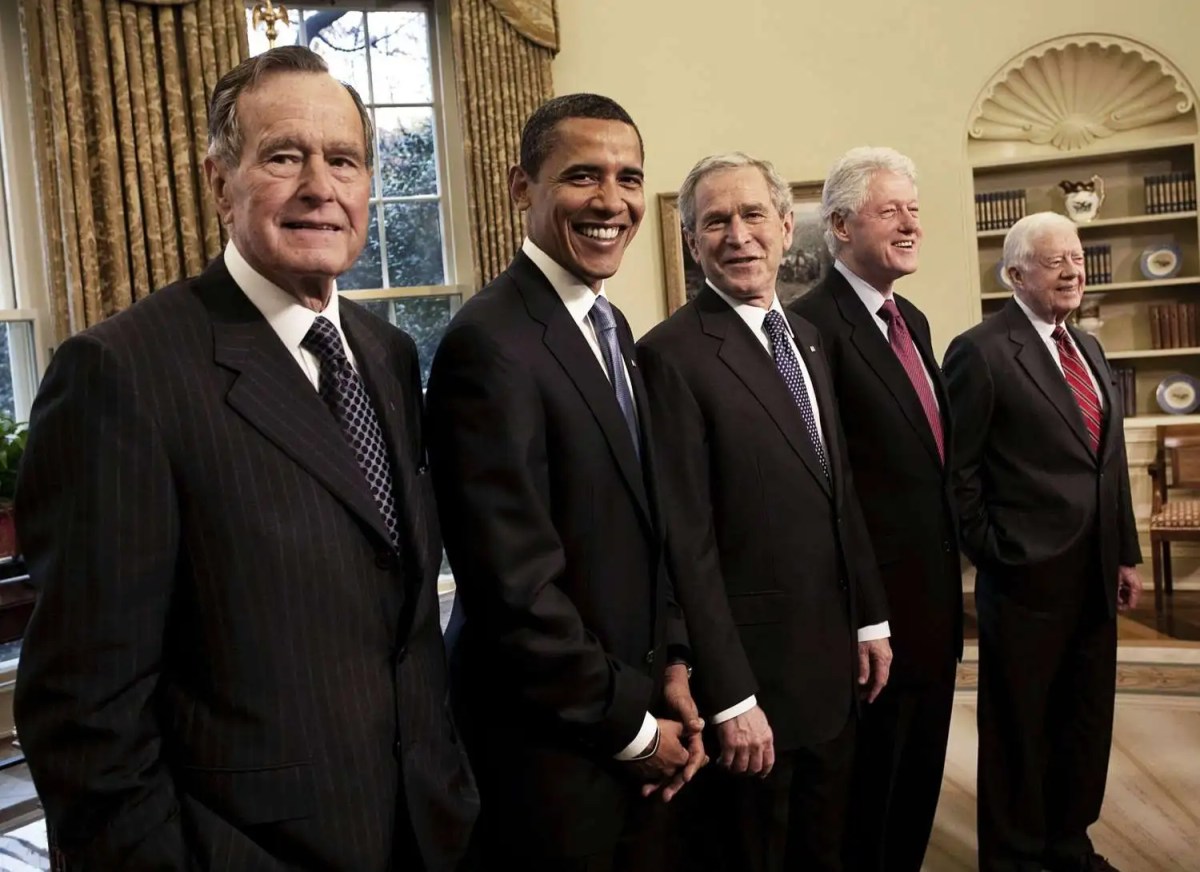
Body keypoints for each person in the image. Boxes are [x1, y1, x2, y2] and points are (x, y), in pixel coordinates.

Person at [13, 46, 477, 871]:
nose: (320, 188)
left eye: (343, 160)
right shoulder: (121, 375)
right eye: (284, 157)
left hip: (422, 829)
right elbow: (85, 723)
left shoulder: (389, 354)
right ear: (217, 181)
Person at [425, 94, 704, 871]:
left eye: (628, 177)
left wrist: (675, 661)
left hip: (633, 703)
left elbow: (647, 527)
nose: (611, 201)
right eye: (583, 176)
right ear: (522, 188)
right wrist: (636, 730)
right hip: (548, 746)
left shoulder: (612, 328)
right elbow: (513, 590)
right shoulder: (489, 343)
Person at [637, 152, 891, 872]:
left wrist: (870, 617)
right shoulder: (671, 356)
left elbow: (839, 494)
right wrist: (732, 697)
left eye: (753, 215)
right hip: (756, 692)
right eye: (714, 221)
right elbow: (687, 542)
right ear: (693, 243)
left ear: (786, 227)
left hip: (835, 672)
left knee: (827, 849)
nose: (737, 235)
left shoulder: (807, 339)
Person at [942, 211, 1143, 872]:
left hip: (1094, 573)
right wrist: (998, 551)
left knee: (1085, 722)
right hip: (1025, 580)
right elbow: (959, 474)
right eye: (1056, 261)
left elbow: (1106, 461)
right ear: (1015, 272)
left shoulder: (1088, 346)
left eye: (1078, 259)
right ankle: (1016, 856)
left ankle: (1068, 843)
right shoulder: (982, 350)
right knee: (1020, 731)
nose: (1073, 271)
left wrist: (1124, 552)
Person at [790, 146, 961, 872]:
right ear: (837, 225)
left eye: (914, 210)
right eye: (890, 210)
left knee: (919, 787)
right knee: (869, 803)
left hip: (937, 607)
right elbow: (827, 488)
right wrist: (868, 614)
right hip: (873, 619)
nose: (910, 224)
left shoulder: (913, 318)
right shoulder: (810, 329)